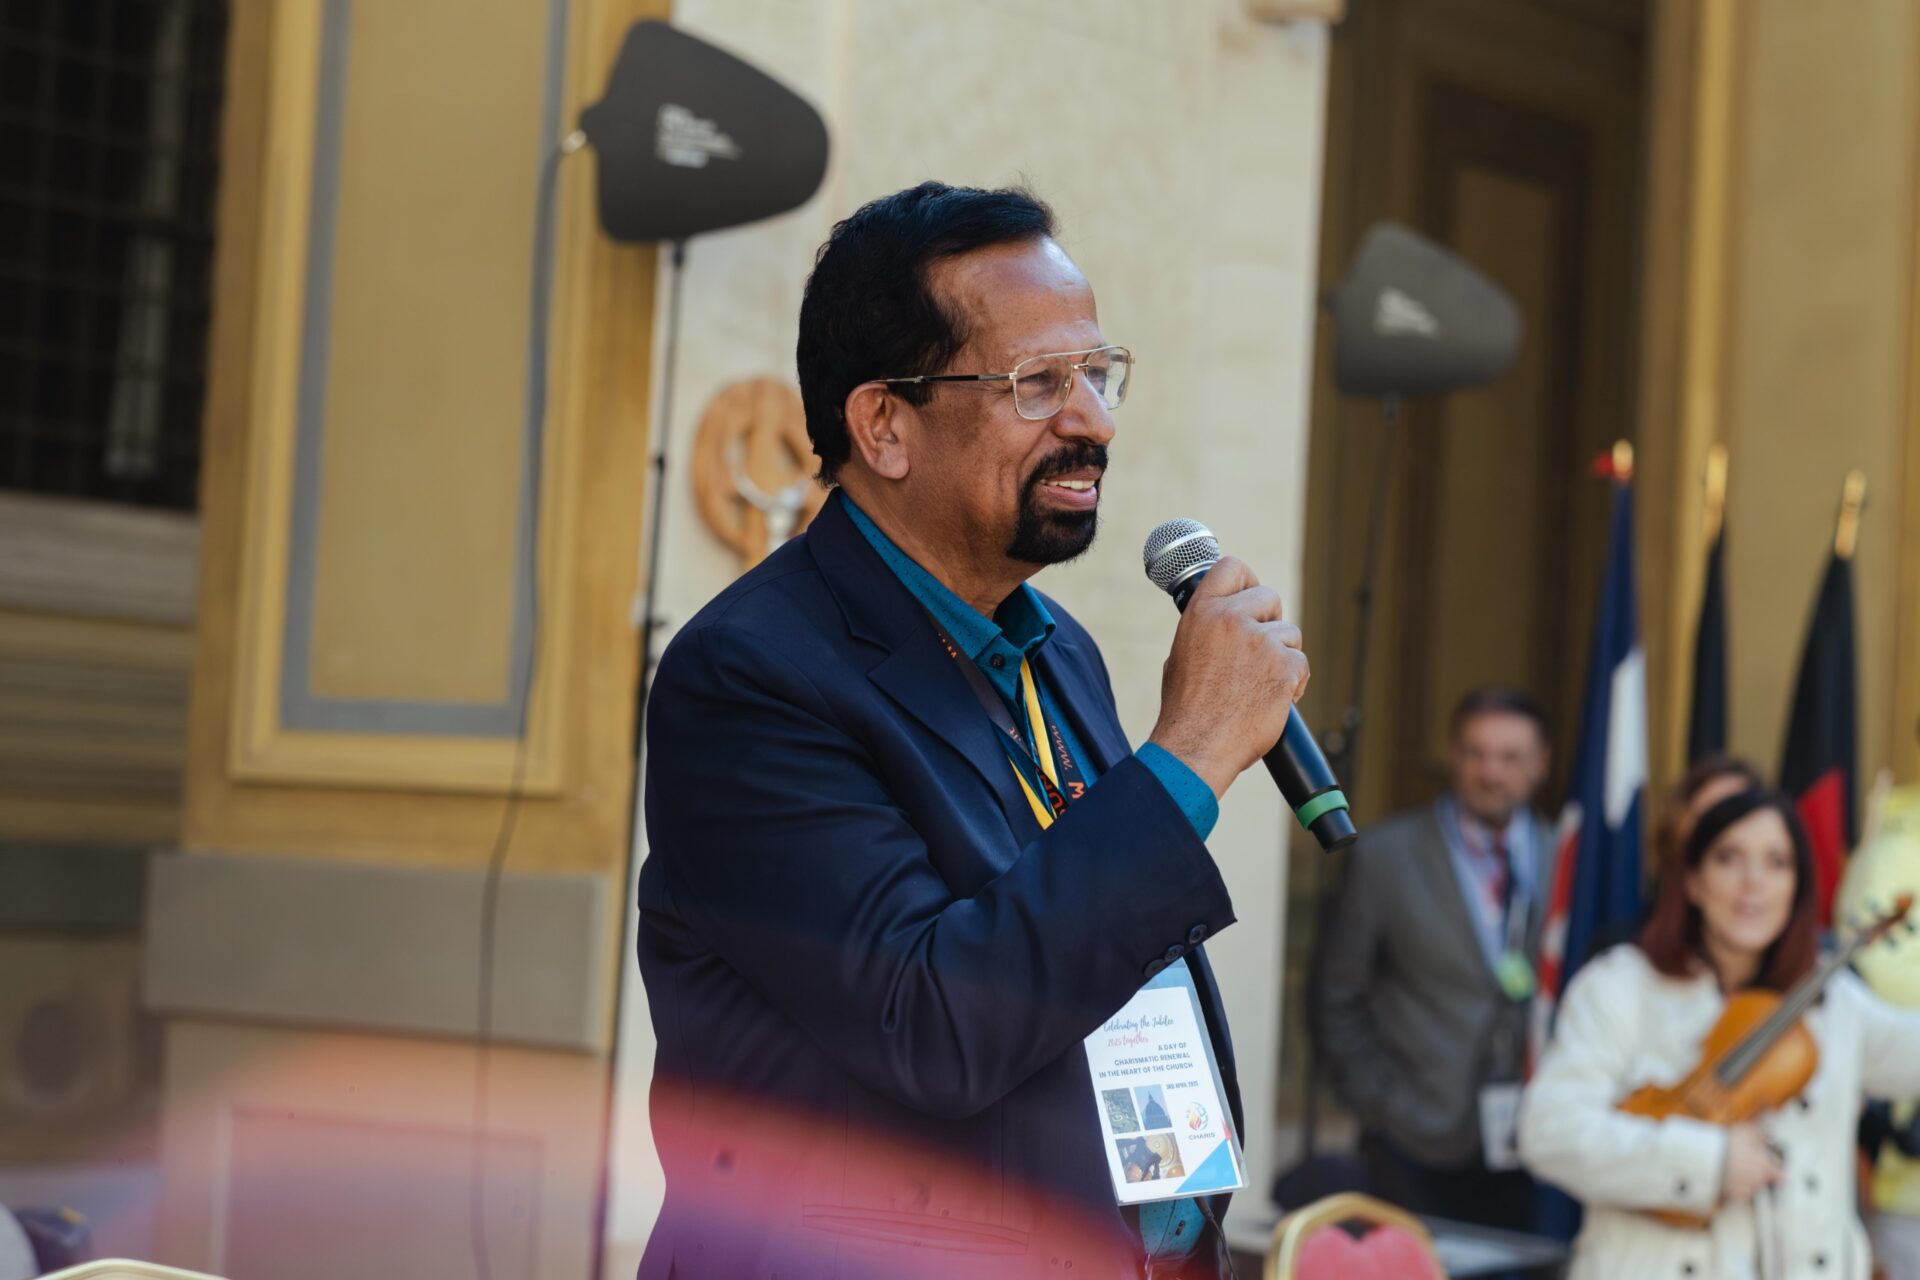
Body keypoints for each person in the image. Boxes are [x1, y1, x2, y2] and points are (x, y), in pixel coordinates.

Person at [635, 182, 1312, 1279]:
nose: (1092, 420)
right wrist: (1188, 755)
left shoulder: (1058, 650)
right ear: (884, 426)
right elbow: (928, 1022)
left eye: (1098, 373)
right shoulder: (751, 675)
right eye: (1036, 383)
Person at [1518, 789, 1920, 1278]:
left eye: (1777, 862)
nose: (1753, 881)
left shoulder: (1834, 1001)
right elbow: (1548, 1131)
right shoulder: (1621, 986)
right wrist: (1705, 1162)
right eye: (1729, 858)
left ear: (1796, 886)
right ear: (1692, 881)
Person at [1309, 685, 1554, 1231]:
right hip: (1412, 1138)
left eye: (1510, 757)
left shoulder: (1566, 856)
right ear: (1451, 754)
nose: (1491, 773)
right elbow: (1335, 994)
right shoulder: (1384, 856)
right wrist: (1378, 1103)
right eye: (1475, 753)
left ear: (1541, 764)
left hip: (1533, 1140)